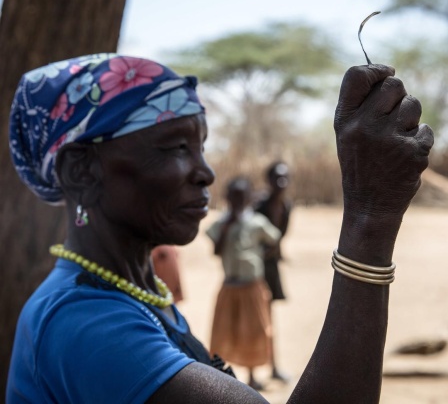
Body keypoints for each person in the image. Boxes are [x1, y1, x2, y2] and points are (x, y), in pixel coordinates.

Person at [6, 54, 433, 403]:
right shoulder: (85, 324)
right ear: (81, 171)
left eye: (201, 146)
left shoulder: (128, 294)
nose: (206, 172)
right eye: (175, 147)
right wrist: (369, 221)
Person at [206, 176, 281, 390]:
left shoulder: (256, 222)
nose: (237, 201)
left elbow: (274, 240)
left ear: (248, 198)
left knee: (254, 331)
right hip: (230, 285)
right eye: (234, 197)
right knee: (223, 332)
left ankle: (252, 376)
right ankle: (221, 376)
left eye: (242, 197)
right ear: (227, 198)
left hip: (252, 286)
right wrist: (227, 228)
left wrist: (258, 255)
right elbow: (216, 250)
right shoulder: (221, 223)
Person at [255, 161, 292, 382]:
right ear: (268, 181)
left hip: (271, 267)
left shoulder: (286, 207)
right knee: (255, 318)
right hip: (256, 269)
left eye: (285, 178)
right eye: (277, 178)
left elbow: (280, 237)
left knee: (269, 318)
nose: (282, 183)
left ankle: (273, 368)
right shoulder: (258, 207)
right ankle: (252, 373)